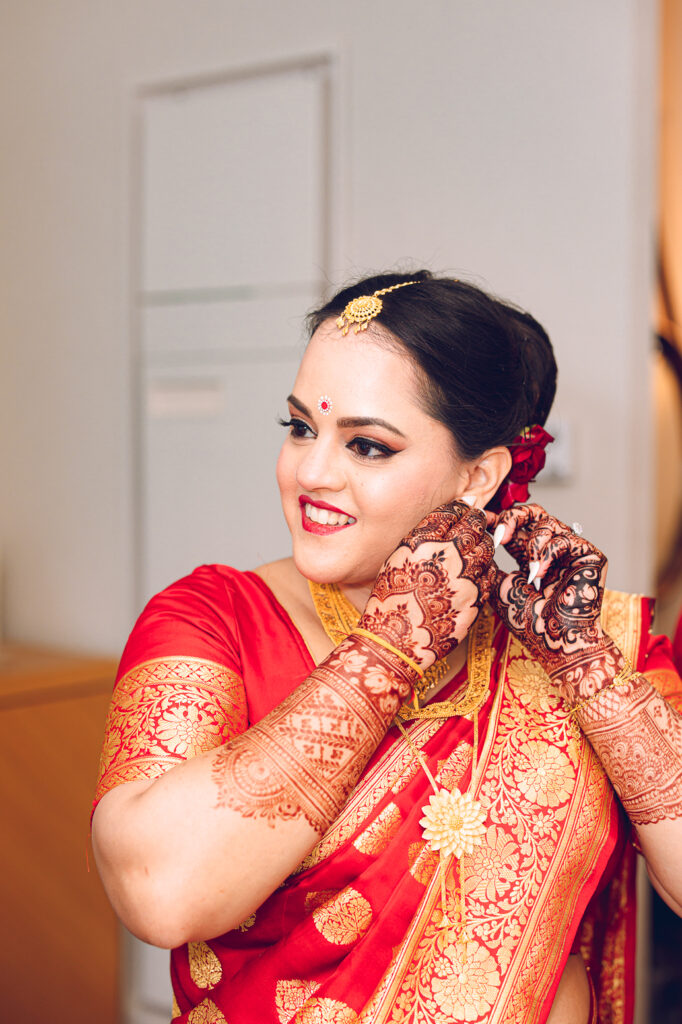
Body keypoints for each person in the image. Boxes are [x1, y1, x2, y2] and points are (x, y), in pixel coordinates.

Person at [92, 271, 682, 1024]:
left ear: (478, 476)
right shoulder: (217, 619)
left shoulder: (584, 645)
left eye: (367, 445)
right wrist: (384, 654)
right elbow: (158, 892)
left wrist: (587, 668)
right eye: (300, 427)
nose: (311, 472)